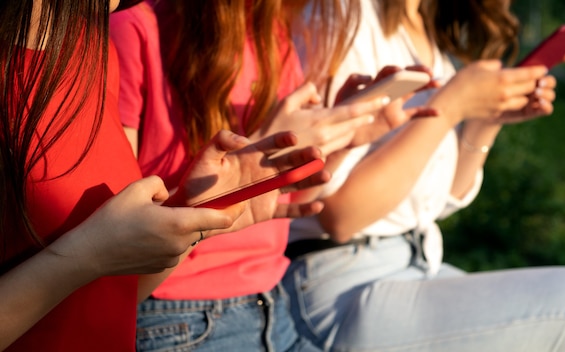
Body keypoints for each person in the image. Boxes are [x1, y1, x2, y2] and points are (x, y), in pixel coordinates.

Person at [282, 0, 565, 351]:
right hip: (340, 288)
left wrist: (485, 121)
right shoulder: (342, 16)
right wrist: (450, 107)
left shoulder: (425, 34)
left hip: (417, 267)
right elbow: (339, 216)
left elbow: (437, 201)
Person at [0, 0, 327, 350]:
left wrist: (193, 214)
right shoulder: (126, 29)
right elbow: (89, 261)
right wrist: (85, 257)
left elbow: (117, 293)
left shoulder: (90, 46)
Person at [109, 0, 393, 350]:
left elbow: (280, 205)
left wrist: (340, 140)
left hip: (275, 302)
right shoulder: (135, 27)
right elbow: (118, 247)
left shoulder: (271, 36)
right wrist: (255, 156)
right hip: (177, 318)